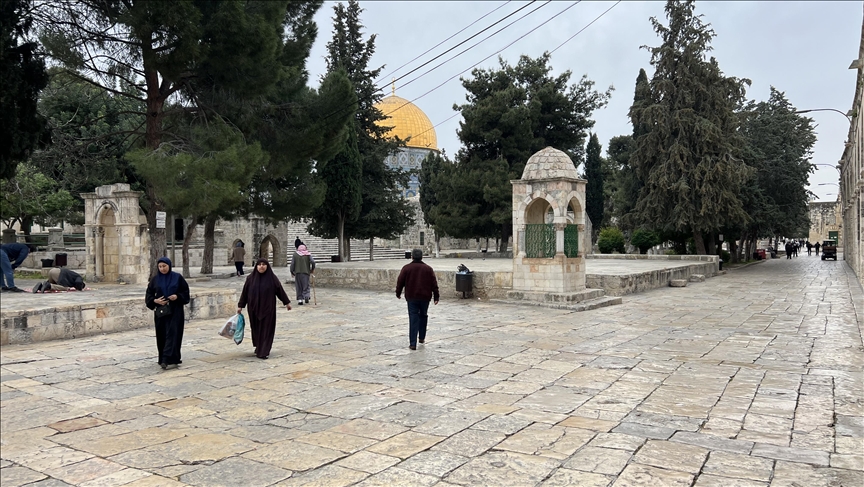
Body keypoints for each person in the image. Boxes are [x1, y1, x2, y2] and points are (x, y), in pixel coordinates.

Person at [237, 258, 292, 359]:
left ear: (267, 266)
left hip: (268, 309)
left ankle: (264, 351)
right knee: (256, 329)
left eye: (263, 264)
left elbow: (280, 290)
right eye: (259, 264)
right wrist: (241, 305)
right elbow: (244, 293)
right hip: (253, 309)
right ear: (256, 266)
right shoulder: (250, 278)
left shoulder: (272, 278)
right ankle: (259, 347)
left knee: (266, 329)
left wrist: (287, 302)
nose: (261, 266)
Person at [145, 257, 190, 369]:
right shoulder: (155, 279)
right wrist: (155, 301)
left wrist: (177, 296)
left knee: (173, 334)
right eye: (160, 266)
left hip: (175, 311)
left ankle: (168, 358)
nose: (162, 269)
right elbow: (149, 294)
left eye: (164, 266)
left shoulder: (177, 278)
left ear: (169, 266)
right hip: (161, 312)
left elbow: (185, 292)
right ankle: (163, 358)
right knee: (162, 334)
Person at [395, 249, 439, 350]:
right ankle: (422, 337)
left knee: (413, 318)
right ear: (422, 257)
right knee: (423, 315)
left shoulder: (406, 268)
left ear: (412, 257)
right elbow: (434, 284)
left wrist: (398, 293)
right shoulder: (428, 269)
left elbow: (400, 281)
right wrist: (436, 296)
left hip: (412, 297)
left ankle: (413, 343)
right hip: (425, 297)